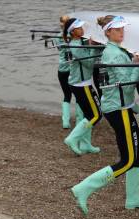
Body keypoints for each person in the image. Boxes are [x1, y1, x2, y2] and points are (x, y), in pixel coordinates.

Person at [70, 15, 139, 215]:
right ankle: (84, 188)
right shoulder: (114, 54)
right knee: (128, 159)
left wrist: (132, 62)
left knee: (137, 147)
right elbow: (128, 84)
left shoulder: (114, 50)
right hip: (119, 109)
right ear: (107, 32)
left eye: (123, 29)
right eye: (117, 29)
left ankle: (132, 198)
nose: (121, 32)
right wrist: (137, 65)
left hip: (121, 106)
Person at [61, 17, 101, 155]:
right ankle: (72, 138)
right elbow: (89, 63)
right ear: (73, 31)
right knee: (96, 115)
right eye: (78, 28)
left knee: (88, 114)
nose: (82, 29)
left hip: (83, 83)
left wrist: (91, 44)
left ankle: (85, 144)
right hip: (81, 84)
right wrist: (94, 48)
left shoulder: (79, 41)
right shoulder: (75, 45)